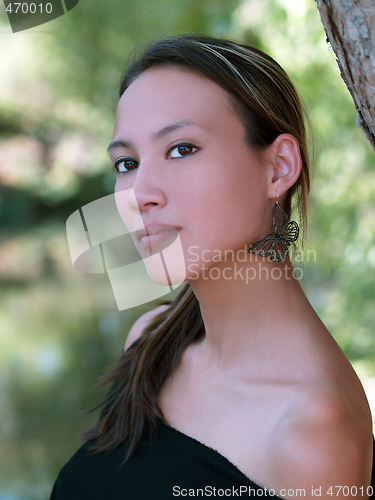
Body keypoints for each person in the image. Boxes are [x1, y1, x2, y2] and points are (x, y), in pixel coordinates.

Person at [50, 34, 374, 499]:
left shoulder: (313, 433)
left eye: (181, 149)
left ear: (279, 167)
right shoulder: (151, 342)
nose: (141, 193)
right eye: (127, 162)